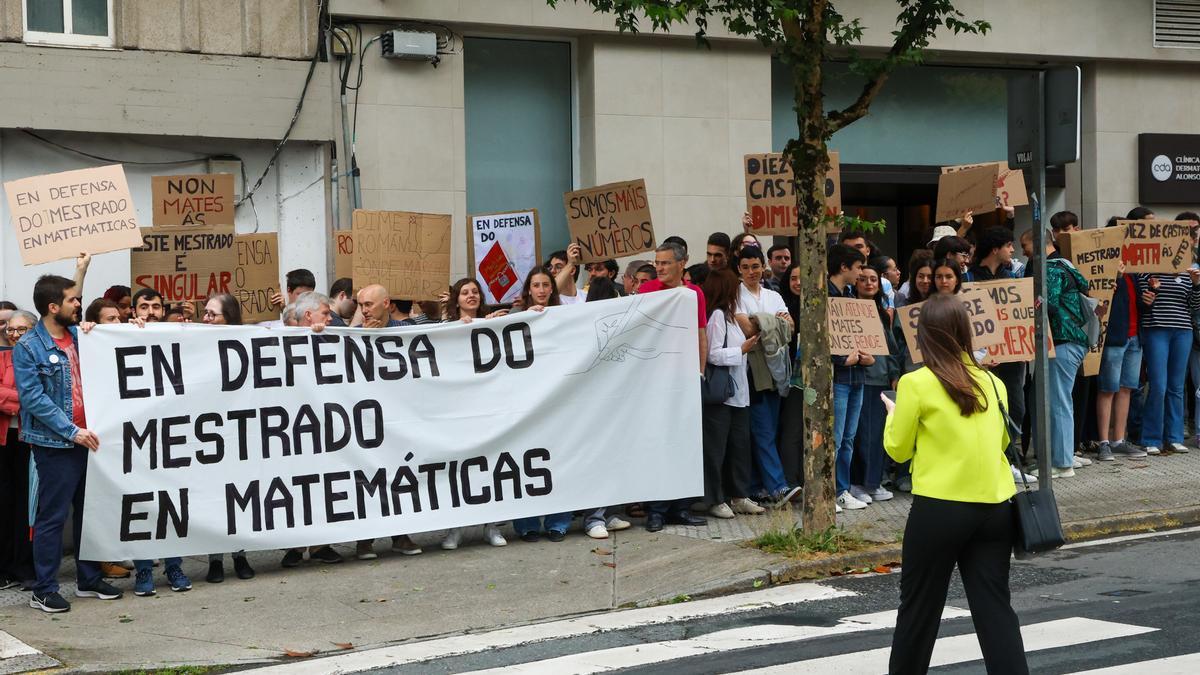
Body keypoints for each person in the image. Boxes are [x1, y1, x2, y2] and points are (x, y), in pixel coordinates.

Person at [882, 295, 1028, 675]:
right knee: (994, 607)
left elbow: (897, 450)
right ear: (965, 332)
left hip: (941, 507)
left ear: (924, 335)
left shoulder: (916, 383)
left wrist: (893, 415)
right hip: (996, 506)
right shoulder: (993, 382)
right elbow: (1001, 445)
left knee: (919, 609)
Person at [14, 275, 123, 612]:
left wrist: (82, 268)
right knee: (54, 516)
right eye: (73, 300)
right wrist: (72, 430)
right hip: (56, 444)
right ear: (53, 307)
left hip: (89, 439)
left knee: (88, 514)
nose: (79, 304)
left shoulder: (79, 336)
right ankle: (44, 589)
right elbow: (33, 399)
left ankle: (87, 580)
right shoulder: (28, 347)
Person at [638, 242, 708, 531]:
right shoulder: (646, 291)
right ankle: (656, 510)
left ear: (682, 264)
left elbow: (701, 335)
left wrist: (700, 374)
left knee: (686, 443)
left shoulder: (694, 294)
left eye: (666, 263)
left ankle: (681, 507)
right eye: (657, 263)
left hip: (685, 380)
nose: (660, 268)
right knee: (657, 443)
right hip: (653, 382)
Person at [354, 284, 425, 558]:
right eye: (361, 305)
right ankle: (365, 538)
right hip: (367, 422)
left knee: (399, 474)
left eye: (368, 304)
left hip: (399, 418)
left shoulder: (408, 331)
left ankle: (400, 534)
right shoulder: (353, 335)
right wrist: (361, 341)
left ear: (387, 303)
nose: (364, 310)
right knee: (367, 476)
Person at [280, 293, 347, 569]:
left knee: (320, 483)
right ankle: (296, 544)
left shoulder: (329, 335)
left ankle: (320, 543)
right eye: (324, 313)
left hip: (321, 423)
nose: (330, 318)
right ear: (309, 316)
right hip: (288, 427)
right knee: (293, 484)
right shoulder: (279, 336)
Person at [732, 247, 799, 507]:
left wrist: (760, 321)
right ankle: (777, 485)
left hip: (775, 369)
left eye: (755, 266)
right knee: (762, 430)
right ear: (739, 268)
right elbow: (746, 328)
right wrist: (773, 322)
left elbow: (790, 327)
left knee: (768, 428)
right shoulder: (735, 294)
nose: (751, 272)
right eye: (746, 267)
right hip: (749, 369)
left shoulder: (773, 294)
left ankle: (757, 485)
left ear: (763, 267)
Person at [1133, 207, 1200, 456]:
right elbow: (1143, 301)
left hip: (1183, 331)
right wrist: (1152, 291)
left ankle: (1173, 436)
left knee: (1176, 386)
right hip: (1156, 330)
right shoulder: (1148, 267)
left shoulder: (1190, 269)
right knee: (1158, 385)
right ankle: (1150, 437)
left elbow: (1194, 307)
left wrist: (1196, 285)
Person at [198, 293, 255, 582]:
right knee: (213, 497)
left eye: (212, 314)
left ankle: (240, 555)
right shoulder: (190, 343)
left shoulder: (247, 342)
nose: (205, 319)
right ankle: (215, 560)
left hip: (238, 434)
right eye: (205, 313)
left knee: (238, 495)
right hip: (207, 434)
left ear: (228, 318)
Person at [700, 269, 763, 519]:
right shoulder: (717, 316)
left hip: (738, 394)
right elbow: (712, 353)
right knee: (717, 449)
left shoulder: (731, 317)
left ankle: (739, 495)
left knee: (739, 446)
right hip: (722, 395)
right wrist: (742, 349)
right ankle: (715, 498)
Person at [1042, 218, 1092, 477]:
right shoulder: (1068, 266)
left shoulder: (1051, 269)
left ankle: (1062, 464)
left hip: (1062, 340)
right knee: (1065, 400)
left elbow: (1048, 304)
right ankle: (1066, 455)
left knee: (1059, 402)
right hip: (1075, 341)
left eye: (1026, 245)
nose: (1024, 252)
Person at [828, 244, 874, 511]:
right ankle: (829, 491)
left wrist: (871, 357)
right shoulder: (825, 295)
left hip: (856, 376)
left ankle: (841, 490)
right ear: (844, 267)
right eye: (858, 267)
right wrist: (839, 359)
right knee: (835, 437)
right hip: (839, 377)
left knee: (847, 438)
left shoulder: (851, 297)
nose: (861, 273)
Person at [850, 265, 899, 505]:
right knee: (861, 435)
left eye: (873, 280)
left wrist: (894, 373)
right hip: (861, 378)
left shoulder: (881, 313)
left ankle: (873, 482)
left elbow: (890, 346)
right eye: (863, 279)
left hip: (881, 378)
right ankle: (860, 484)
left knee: (878, 434)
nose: (868, 283)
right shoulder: (847, 310)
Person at [1097, 257, 1149, 461]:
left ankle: (1118, 440)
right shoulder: (1104, 270)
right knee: (1108, 388)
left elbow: (1137, 305)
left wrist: (1150, 299)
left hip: (1134, 337)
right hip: (1115, 337)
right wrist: (1116, 278)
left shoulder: (1133, 272)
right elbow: (1102, 301)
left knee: (1126, 387)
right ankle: (1103, 442)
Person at [0, 309, 36, 591]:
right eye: (10, 330)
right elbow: (28, 396)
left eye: (20, 330)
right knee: (4, 503)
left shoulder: (38, 356)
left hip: (30, 438)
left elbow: (42, 393)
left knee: (28, 505)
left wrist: (16, 399)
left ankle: (24, 568)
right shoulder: (1, 355)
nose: (13, 335)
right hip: (3, 440)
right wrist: (22, 399)